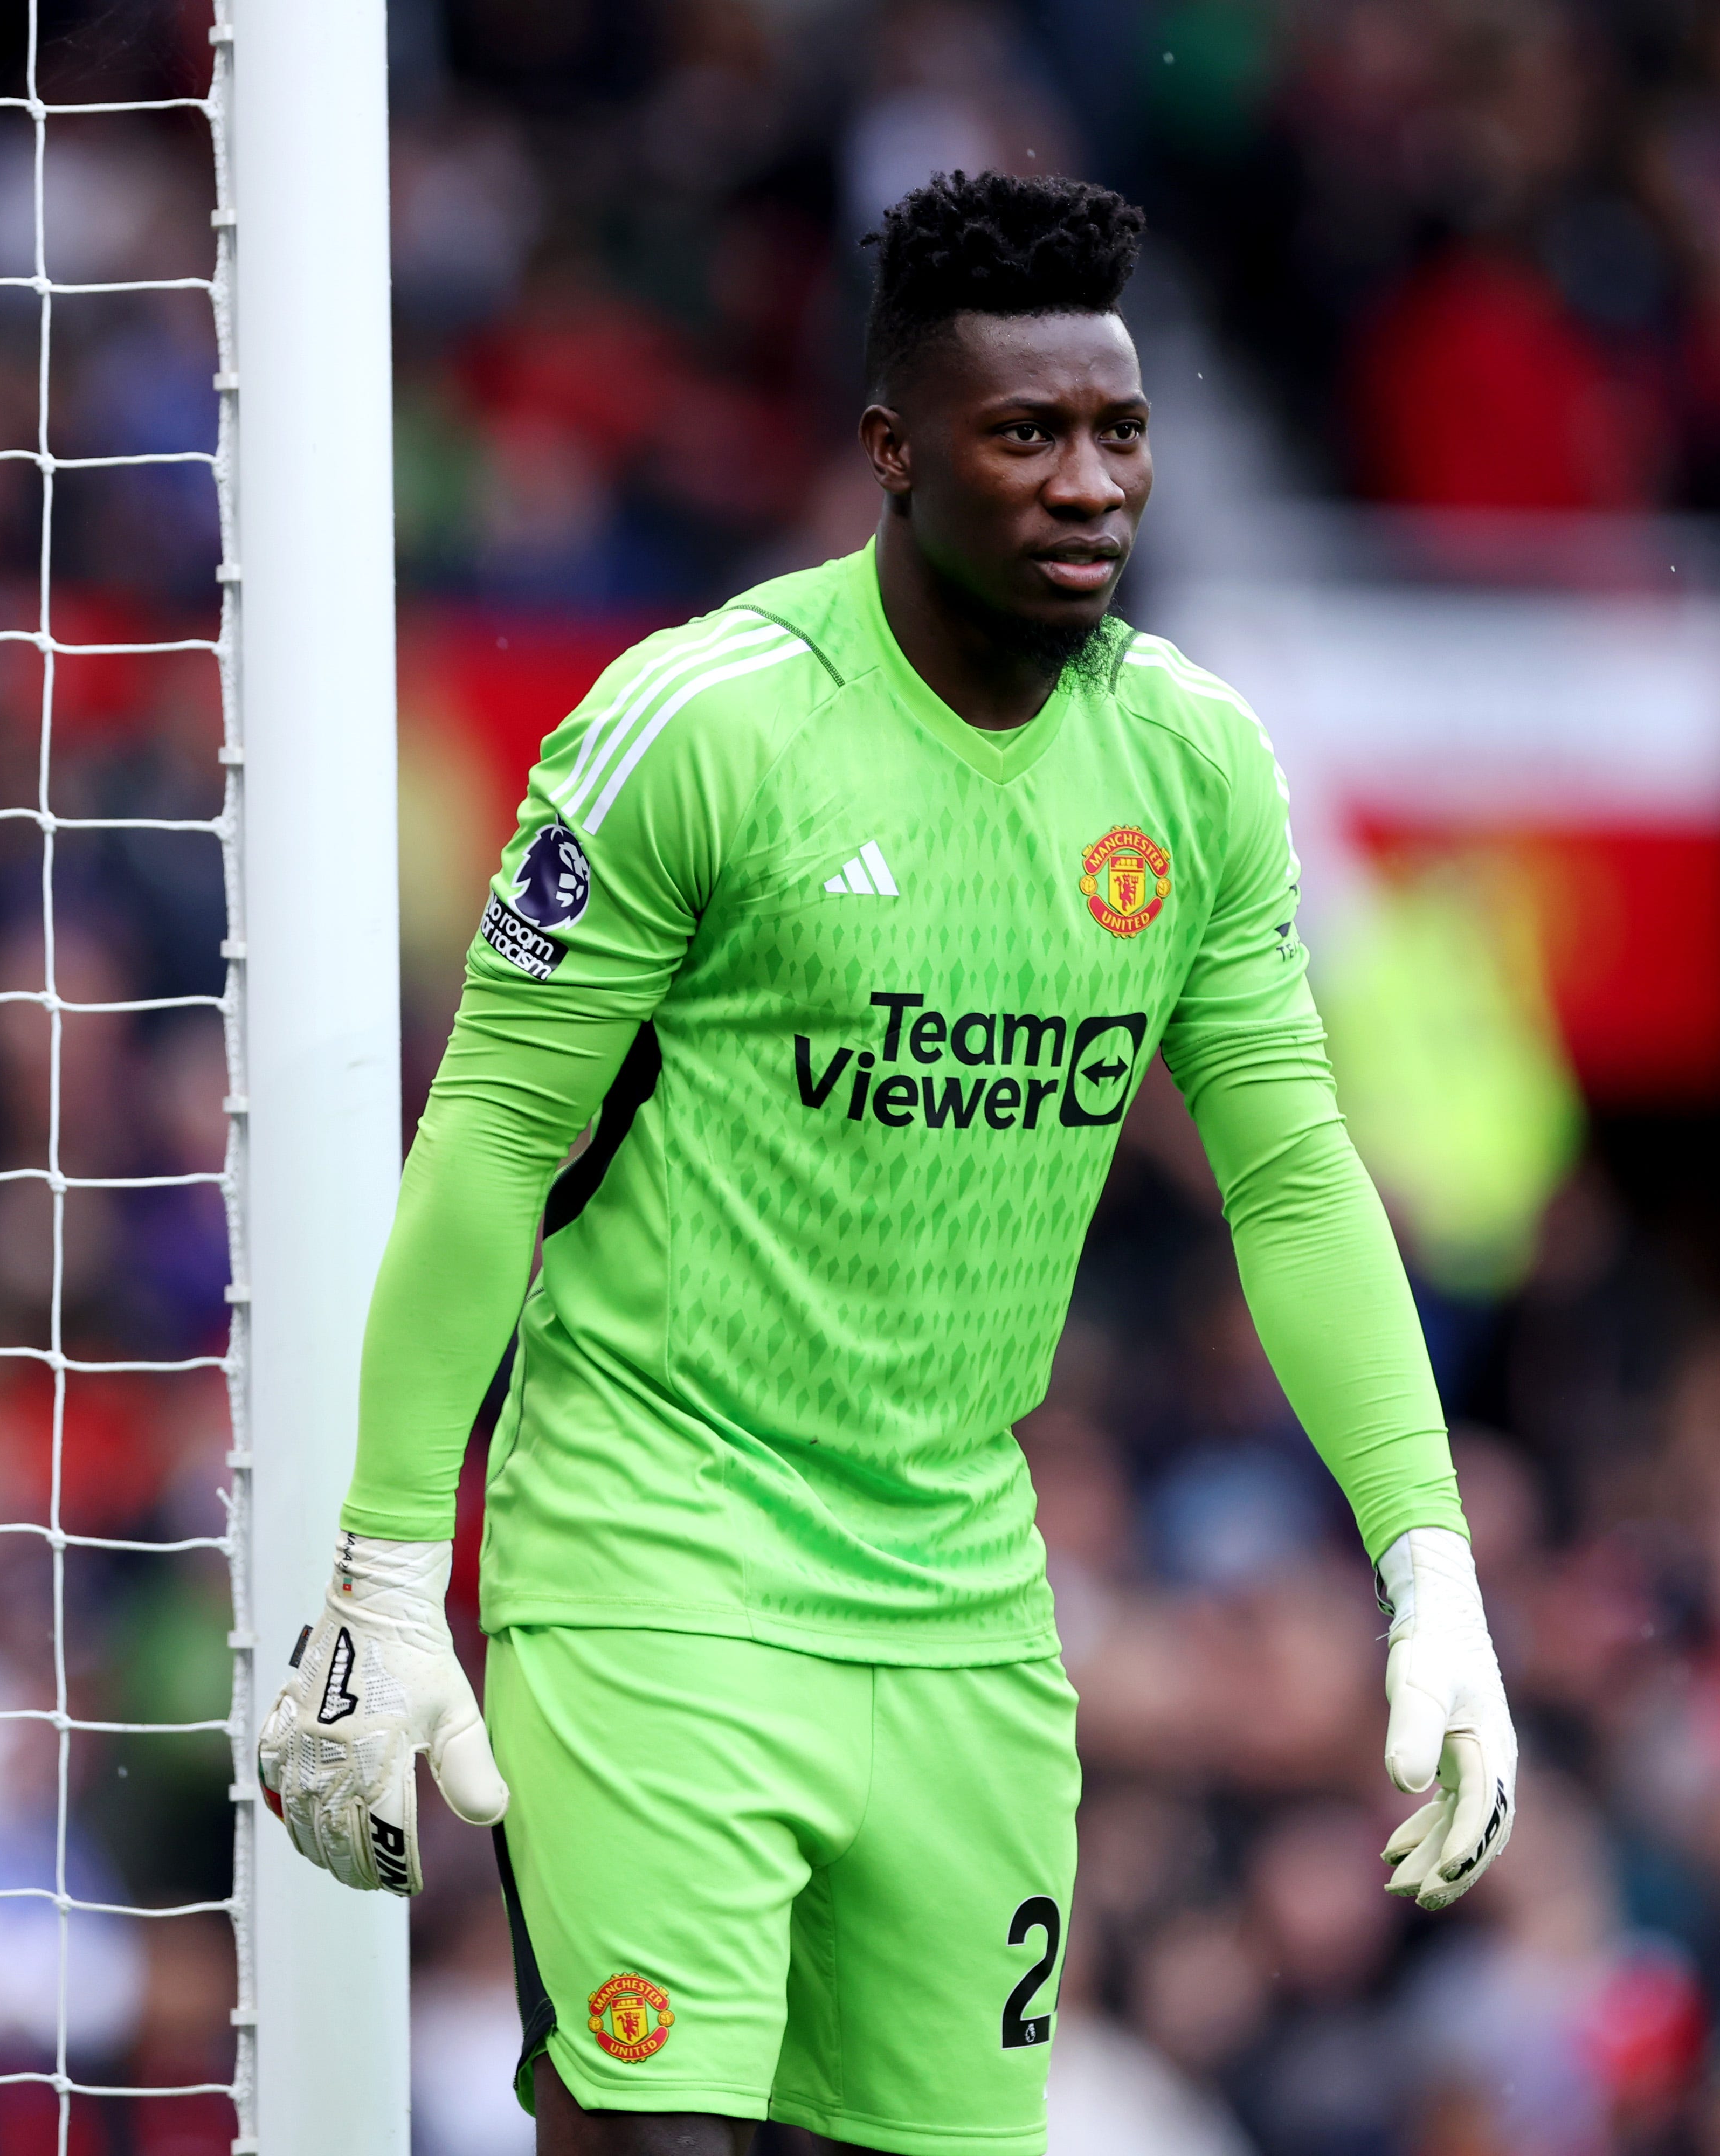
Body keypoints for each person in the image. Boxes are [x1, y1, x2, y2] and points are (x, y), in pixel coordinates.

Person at [258, 170, 1517, 2156]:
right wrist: (390, 1567)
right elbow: (493, 1133)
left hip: (963, 1602)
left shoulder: (1195, 768)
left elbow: (1291, 1175)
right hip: (659, 1554)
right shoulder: (701, 726)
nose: (1090, 485)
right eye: (1026, 434)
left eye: (1119, 432)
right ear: (894, 452)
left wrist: (1428, 1562)